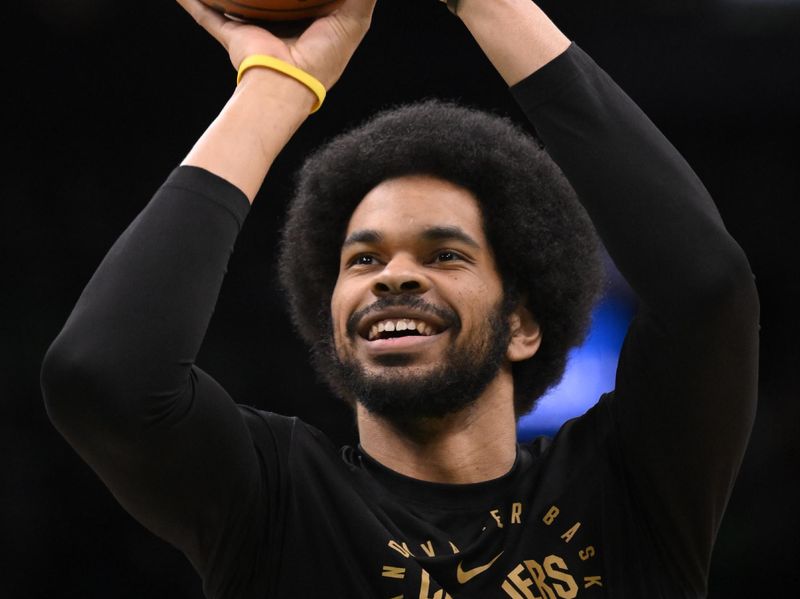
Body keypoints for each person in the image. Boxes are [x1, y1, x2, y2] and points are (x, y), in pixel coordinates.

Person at [40, 0, 759, 597]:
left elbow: (707, 290)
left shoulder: (625, 491)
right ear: (334, 324)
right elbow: (103, 375)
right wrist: (275, 86)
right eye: (364, 258)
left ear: (523, 322)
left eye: (444, 253)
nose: (393, 276)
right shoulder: (279, 503)